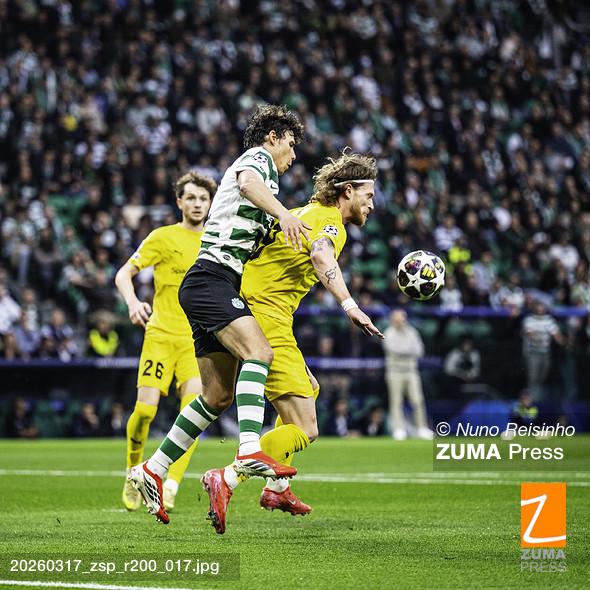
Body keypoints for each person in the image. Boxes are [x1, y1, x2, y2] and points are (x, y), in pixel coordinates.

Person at [129, 104, 309, 524]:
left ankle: (151, 469)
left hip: (208, 283)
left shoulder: (265, 189)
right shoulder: (257, 160)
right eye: (291, 144)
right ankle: (248, 449)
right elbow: (248, 183)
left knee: (216, 396)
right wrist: (284, 214)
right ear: (273, 137)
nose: (293, 155)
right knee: (259, 353)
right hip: (213, 279)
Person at [201, 151, 383, 533]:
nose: (372, 203)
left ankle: (277, 488)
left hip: (252, 307)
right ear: (347, 191)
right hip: (267, 316)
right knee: (307, 427)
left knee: (309, 388)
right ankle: (227, 477)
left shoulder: (303, 212)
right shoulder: (331, 222)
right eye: (368, 195)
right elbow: (321, 255)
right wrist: (350, 305)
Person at [115, 170, 216, 512]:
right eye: (191, 198)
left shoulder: (216, 241)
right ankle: (133, 473)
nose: (197, 204)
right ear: (179, 202)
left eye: (203, 198)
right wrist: (133, 303)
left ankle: (170, 485)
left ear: (210, 203)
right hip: (160, 335)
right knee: (145, 411)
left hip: (196, 341)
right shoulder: (163, 237)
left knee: (192, 415)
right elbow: (124, 273)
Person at [382, 310, 433, 440]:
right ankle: (398, 429)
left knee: (417, 400)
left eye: (401, 319)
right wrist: (409, 350)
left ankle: (422, 428)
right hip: (394, 372)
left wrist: (405, 351)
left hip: (411, 371)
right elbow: (393, 349)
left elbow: (420, 350)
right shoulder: (388, 333)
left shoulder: (412, 332)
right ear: (392, 320)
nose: (399, 321)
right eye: (397, 319)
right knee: (396, 401)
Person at [521, 299, 565, 401]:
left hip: (545, 353)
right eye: (538, 306)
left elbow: (556, 335)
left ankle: (538, 398)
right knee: (532, 377)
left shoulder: (549, 320)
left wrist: (564, 341)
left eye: (542, 306)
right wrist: (537, 339)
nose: (540, 309)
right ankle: (531, 400)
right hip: (533, 353)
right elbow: (529, 334)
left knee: (542, 377)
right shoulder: (529, 320)